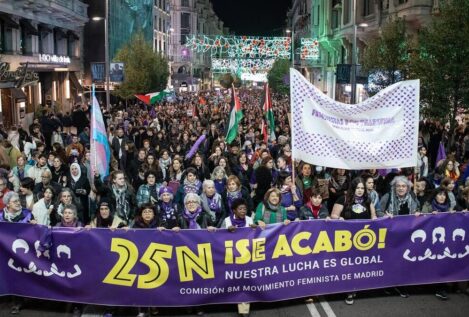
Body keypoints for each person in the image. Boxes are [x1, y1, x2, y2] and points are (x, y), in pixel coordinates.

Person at [330, 177, 377, 305]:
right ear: (353, 188)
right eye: (358, 188)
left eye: (362, 188)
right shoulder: (343, 199)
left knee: (359, 265)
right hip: (347, 240)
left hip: (363, 239)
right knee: (349, 267)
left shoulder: (368, 200)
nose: (360, 190)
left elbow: (374, 215)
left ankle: (358, 286)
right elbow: (333, 215)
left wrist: (374, 218)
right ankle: (349, 291)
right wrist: (338, 218)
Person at [221, 198, 255, 317]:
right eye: (240, 209)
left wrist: (255, 229)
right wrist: (226, 231)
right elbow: (218, 237)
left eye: (245, 209)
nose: (243, 211)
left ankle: (244, 307)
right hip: (231, 258)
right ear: (234, 210)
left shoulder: (250, 220)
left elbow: (255, 237)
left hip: (246, 258)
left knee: (245, 281)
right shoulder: (227, 221)